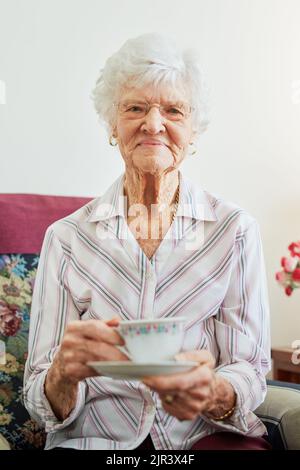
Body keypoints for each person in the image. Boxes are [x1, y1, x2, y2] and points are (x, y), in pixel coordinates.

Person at [23, 33, 271, 450]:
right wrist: (62, 373)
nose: (153, 124)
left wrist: (211, 390)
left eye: (173, 110)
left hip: (199, 439)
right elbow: (38, 397)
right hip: (96, 443)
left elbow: (249, 368)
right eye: (135, 107)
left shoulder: (234, 231)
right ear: (112, 125)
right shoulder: (66, 239)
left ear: (193, 132)